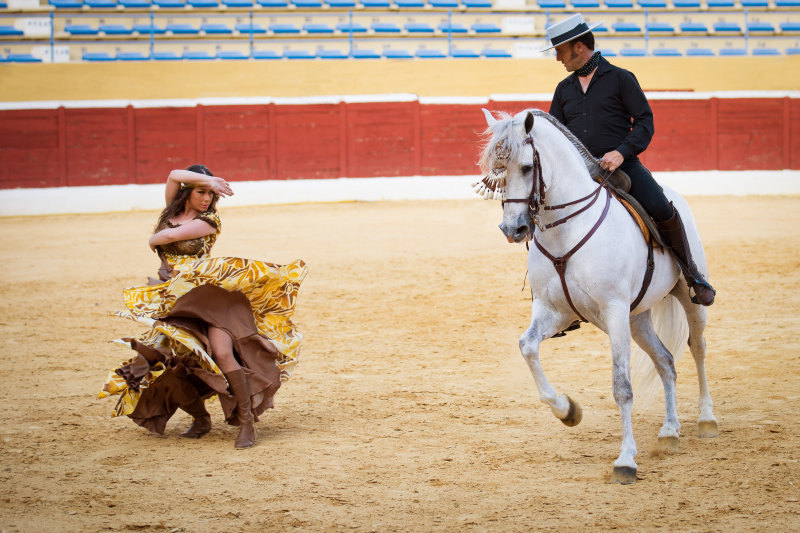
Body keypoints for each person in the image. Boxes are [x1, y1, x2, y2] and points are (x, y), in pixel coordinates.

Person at [99, 164, 308, 449]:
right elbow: (173, 174)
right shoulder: (172, 211)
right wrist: (211, 179)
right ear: (187, 191)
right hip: (173, 299)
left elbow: (169, 238)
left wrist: (152, 239)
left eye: (211, 194)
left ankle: (247, 424)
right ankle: (200, 419)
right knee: (167, 362)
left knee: (222, 352)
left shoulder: (210, 220)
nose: (207, 199)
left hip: (207, 298)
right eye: (201, 192)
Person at [541, 13, 715, 306]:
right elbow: (555, 133)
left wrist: (622, 152)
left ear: (578, 47)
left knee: (661, 206)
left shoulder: (621, 78)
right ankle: (550, 294)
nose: (558, 58)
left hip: (623, 165)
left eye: (560, 51)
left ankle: (692, 275)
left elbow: (645, 121)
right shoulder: (564, 89)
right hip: (580, 173)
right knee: (543, 215)